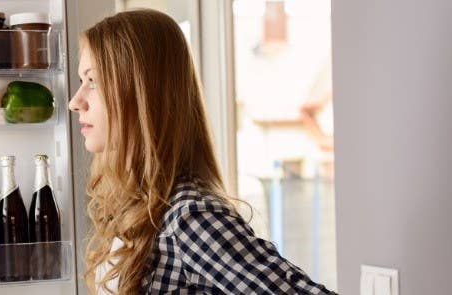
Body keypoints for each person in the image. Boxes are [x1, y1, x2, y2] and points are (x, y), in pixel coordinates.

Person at [68, 9, 337, 295]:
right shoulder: (139, 204)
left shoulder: (189, 217)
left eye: (92, 81)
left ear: (140, 91)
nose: (75, 101)